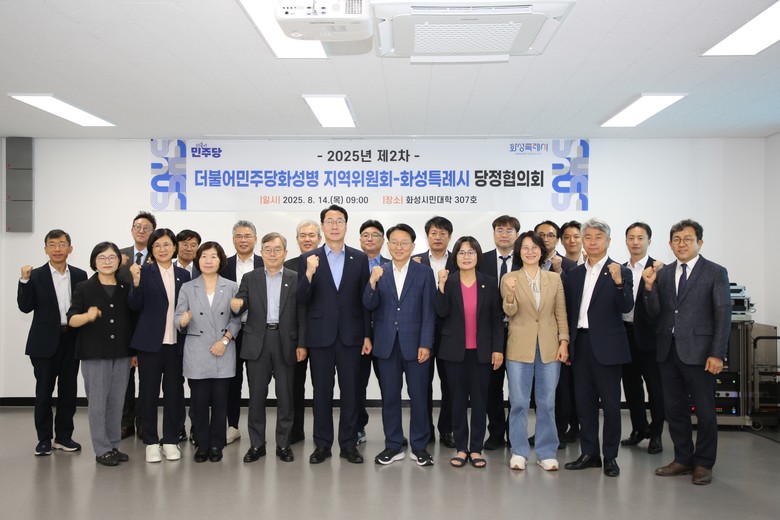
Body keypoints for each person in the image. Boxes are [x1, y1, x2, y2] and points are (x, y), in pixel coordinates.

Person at [643, 219, 731, 485]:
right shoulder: (664, 273)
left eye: (688, 239)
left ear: (699, 242)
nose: (682, 244)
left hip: (702, 353)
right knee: (675, 410)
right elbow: (654, 314)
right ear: (670, 244)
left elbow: (723, 314)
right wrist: (649, 288)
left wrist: (717, 353)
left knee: (705, 411)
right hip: (668, 352)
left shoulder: (715, 272)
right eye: (677, 240)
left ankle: (703, 463)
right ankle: (682, 458)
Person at [298, 204, 371, 464]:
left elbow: (364, 299)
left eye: (339, 221)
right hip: (320, 336)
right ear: (322, 227)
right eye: (329, 221)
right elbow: (301, 299)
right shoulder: (310, 258)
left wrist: (367, 335)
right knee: (321, 393)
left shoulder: (359, 258)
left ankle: (349, 444)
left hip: (352, 336)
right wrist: (309, 273)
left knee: (351, 393)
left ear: (346, 226)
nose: (335, 226)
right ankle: (322, 444)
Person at [563, 218, 633, 478]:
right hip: (580, 344)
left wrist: (619, 283)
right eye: (588, 237)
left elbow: (626, 306)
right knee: (584, 403)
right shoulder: (574, 274)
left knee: (611, 406)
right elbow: (569, 312)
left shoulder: (620, 271)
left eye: (598, 237)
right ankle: (589, 453)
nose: (592, 242)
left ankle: (610, 456)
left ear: (608, 241)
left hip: (608, 347)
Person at [363, 224, 436, 466]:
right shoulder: (379, 271)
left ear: (413, 246)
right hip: (386, 345)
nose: (399, 247)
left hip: (416, 346)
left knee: (419, 397)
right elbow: (368, 304)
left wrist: (426, 343)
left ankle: (419, 447)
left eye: (404, 242)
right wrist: (372, 282)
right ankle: (393, 445)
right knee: (390, 398)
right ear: (387, 245)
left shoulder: (424, 272)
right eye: (394, 242)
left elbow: (429, 311)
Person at [233, 233, 307, 464]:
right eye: (268, 249)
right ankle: (257, 444)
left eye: (277, 249)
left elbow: (302, 314)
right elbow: (240, 303)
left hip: (286, 342)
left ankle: (283, 443)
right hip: (257, 342)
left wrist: (302, 344)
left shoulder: (295, 277)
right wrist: (237, 305)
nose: (272, 254)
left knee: (286, 396)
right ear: (261, 252)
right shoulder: (250, 277)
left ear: (285, 253)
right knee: (256, 397)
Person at [501, 231, 569, 471]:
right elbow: (509, 312)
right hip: (519, 348)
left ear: (542, 251)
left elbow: (560, 312)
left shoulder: (554, 278)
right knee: (519, 402)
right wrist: (510, 292)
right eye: (525, 247)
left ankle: (546, 451)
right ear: (518, 252)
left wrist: (564, 341)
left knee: (547, 403)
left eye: (534, 247)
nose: (530, 252)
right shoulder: (509, 277)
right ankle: (519, 451)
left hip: (549, 347)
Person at [18, 229, 87, 456]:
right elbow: (25, 307)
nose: (57, 249)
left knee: (68, 393)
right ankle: (44, 439)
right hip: (44, 343)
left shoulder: (80, 275)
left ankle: (63, 437)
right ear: (45, 249)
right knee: (44, 393)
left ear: (70, 248)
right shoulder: (35, 275)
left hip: (71, 341)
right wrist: (24, 280)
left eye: (62, 244)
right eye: (52, 244)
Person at [436, 236, 504, 468]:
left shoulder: (489, 282)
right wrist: (441, 286)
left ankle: (476, 448)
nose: (466, 257)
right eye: (462, 252)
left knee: (480, 401)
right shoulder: (449, 281)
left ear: (478, 256)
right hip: (454, 352)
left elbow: (496, 320)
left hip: (482, 352)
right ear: (455, 256)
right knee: (456, 401)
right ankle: (461, 448)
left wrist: (498, 349)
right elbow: (441, 312)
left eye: (471, 252)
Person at [67, 242, 133, 466]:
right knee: (97, 404)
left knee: (116, 402)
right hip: (94, 353)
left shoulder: (125, 287)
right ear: (94, 262)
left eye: (112, 257)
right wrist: (88, 316)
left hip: (121, 353)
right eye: (102, 257)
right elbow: (71, 320)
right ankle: (101, 449)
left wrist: (133, 352)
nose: (107, 261)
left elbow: (131, 321)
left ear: (119, 261)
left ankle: (113, 445)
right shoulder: (84, 287)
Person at [128, 228, 190, 463]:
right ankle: (151, 442)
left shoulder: (184, 275)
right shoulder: (143, 272)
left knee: (174, 393)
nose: (162, 249)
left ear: (174, 247)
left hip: (176, 344)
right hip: (150, 344)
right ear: (151, 250)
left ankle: (171, 440)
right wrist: (135, 283)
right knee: (148, 394)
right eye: (157, 245)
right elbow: (133, 306)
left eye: (166, 245)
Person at [175, 241, 241, 463]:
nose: (208, 261)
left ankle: (216, 444)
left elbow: (237, 319)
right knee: (199, 402)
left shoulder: (231, 286)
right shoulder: (188, 287)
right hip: (197, 351)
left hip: (223, 349)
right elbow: (177, 317)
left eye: (213, 256)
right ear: (198, 260)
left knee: (221, 402)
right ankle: (202, 444)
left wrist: (225, 340)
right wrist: (182, 321)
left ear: (220, 260)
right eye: (204, 256)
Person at [412, 216, 456, 449]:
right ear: (427, 236)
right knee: (422, 384)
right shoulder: (415, 261)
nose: (438, 237)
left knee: (450, 384)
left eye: (442, 233)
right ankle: (425, 429)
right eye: (433, 233)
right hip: (422, 332)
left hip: (450, 332)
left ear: (449, 237)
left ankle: (446, 429)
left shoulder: (459, 261)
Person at [621, 222, 665, 454]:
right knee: (631, 388)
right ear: (626, 241)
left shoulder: (660, 270)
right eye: (631, 237)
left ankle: (656, 435)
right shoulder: (619, 269)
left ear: (649, 241)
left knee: (655, 389)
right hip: (624, 335)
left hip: (650, 338)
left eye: (640, 238)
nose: (635, 242)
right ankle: (639, 429)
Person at [477, 215, 520, 450]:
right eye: (500, 230)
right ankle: (495, 433)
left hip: (518, 331)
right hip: (489, 333)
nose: (504, 234)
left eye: (509, 230)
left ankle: (515, 433)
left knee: (517, 387)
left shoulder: (525, 260)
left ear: (516, 235)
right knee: (491, 386)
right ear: (493, 233)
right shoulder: (480, 259)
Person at [220, 220, 264, 445]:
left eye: (247, 236)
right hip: (231, 332)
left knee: (257, 383)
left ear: (255, 239)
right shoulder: (223, 265)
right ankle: (232, 426)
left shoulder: (265, 263)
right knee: (232, 381)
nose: (243, 240)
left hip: (258, 331)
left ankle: (258, 431)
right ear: (233, 239)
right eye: (239, 236)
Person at [117, 211, 157, 440]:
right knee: (125, 379)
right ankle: (126, 422)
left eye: (146, 228)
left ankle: (143, 423)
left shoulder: (160, 256)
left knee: (148, 381)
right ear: (132, 230)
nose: (141, 231)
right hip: (123, 326)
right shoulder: (118, 256)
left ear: (153, 233)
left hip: (149, 326)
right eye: (137, 227)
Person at [284, 219, 322, 445]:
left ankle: (321, 435)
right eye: (303, 235)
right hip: (294, 335)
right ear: (297, 239)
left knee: (321, 388)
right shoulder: (287, 265)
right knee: (293, 386)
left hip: (321, 335)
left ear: (320, 238)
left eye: (312, 235)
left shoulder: (329, 263)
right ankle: (294, 431)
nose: (307, 239)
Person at [356, 219, 390, 445]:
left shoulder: (392, 265)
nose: (370, 238)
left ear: (383, 240)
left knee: (389, 385)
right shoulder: (351, 264)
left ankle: (392, 432)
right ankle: (358, 428)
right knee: (357, 385)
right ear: (360, 239)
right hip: (358, 335)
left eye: (375, 235)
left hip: (385, 335)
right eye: (365, 235)